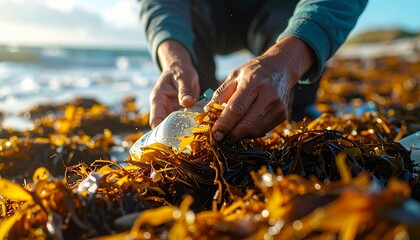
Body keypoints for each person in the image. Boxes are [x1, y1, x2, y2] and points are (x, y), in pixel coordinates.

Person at [140, 0, 367, 143]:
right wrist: (174, 60)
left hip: (283, 12)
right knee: (196, 90)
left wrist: (286, 61)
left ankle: (297, 105)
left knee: (297, 105)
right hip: (210, 9)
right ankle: (201, 97)